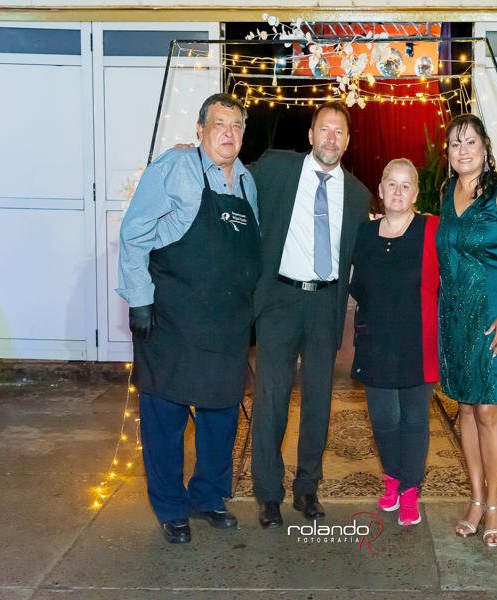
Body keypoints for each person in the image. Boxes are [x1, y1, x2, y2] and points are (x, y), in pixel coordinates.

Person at [116, 93, 260, 544]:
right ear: (200, 130)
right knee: (165, 416)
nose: (229, 133)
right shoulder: (175, 167)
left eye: (237, 125)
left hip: (227, 326)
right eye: (219, 124)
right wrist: (139, 300)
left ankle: (207, 496)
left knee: (222, 415)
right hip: (172, 320)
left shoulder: (247, 182)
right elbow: (134, 232)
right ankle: (171, 507)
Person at [250, 101, 371, 528]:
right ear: (310, 134)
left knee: (319, 400)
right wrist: (194, 156)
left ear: (348, 141)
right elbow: (231, 177)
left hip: (325, 304)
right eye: (324, 129)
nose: (330, 139)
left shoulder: (357, 195)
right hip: (279, 301)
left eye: (339, 132)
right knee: (271, 398)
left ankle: (307, 489)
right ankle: (268, 494)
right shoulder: (276, 169)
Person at [437, 113, 497, 547]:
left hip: (495, 317)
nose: (463, 150)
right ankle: (475, 498)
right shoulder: (447, 191)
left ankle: (494, 504)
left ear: (485, 147)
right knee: (465, 409)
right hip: (455, 317)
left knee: (488, 411)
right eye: (455, 143)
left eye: (470, 142)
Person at [349, 158, 439, 527]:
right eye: (391, 184)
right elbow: (357, 286)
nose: (398, 192)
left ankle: (410, 489)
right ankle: (392, 477)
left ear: (415, 193)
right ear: (381, 190)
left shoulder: (432, 229)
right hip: (376, 343)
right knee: (384, 419)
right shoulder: (364, 234)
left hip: (419, 343)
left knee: (414, 420)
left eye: (406, 185)